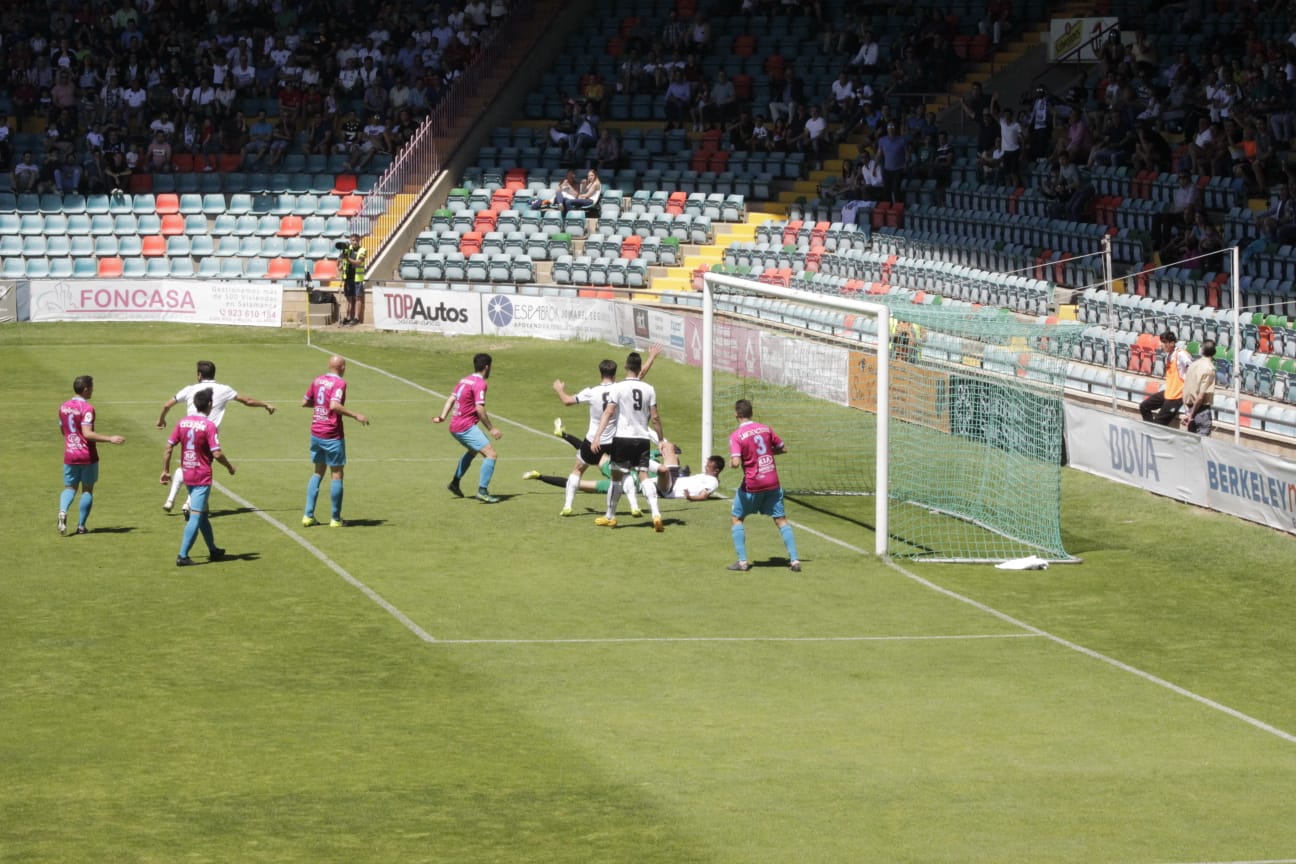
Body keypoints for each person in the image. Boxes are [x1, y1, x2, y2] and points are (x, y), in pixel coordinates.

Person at [156, 360, 276, 515]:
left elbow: (167, 405)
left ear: (199, 375)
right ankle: (188, 503)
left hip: (187, 431)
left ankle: (171, 499)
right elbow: (247, 401)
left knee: (187, 465)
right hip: (206, 434)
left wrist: (161, 419)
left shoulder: (190, 389)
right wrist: (265, 404)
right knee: (202, 469)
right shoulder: (224, 389)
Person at [161, 387, 235, 566]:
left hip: (187, 472)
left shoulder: (182, 422)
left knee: (202, 514)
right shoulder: (209, 426)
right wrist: (229, 467)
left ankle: (213, 549)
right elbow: (216, 454)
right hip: (202, 476)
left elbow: (169, 447)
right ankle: (183, 555)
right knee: (195, 516)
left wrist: (165, 470)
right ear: (209, 404)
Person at [591, 350, 664, 530]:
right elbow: (655, 417)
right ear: (640, 369)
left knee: (616, 478)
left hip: (622, 438)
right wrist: (660, 439)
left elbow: (608, 412)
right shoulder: (649, 389)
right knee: (644, 475)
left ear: (626, 367)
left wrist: (598, 435)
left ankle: (610, 516)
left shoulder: (618, 387)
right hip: (642, 438)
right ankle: (656, 514)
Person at [726, 398, 801, 572]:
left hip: (753, 484)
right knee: (781, 520)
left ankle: (743, 562)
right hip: (773, 482)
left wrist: (732, 462)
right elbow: (783, 448)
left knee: (737, 518)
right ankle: (795, 560)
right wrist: (767, 453)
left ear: (736, 414)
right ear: (751, 413)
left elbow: (736, 463)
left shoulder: (736, 436)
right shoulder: (766, 429)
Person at [302, 355, 370, 527]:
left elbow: (305, 402)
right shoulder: (340, 383)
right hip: (332, 434)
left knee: (317, 472)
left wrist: (320, 407)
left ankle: (308, 516)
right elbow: (334, 405)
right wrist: (356, 415)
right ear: (343, 367)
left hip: (316, 431)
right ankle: (335, 518)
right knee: (337, 474)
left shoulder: (317, 380)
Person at [57, 375, 126, 536]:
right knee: (87, 490)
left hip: (70, 455)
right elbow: (87, 433)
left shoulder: (63, 406)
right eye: (92, 387)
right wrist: (110, 438)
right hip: (87, 455)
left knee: (69, 488)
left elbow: (63, 431)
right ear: (86, 389)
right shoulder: (87, 409)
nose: (93, 390)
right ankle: (81, 526)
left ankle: (62, 511)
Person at [525, 446, 724, 501]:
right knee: (668, 449)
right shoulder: (622, 476)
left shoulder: (713, 482)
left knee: (577, 483)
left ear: (715, 470)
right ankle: (642, 458)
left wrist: (692, 497)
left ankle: (641, 459)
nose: (705, 465)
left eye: (708, 465)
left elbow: (704, 495)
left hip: (666, 486)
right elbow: (588, 453)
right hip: (666, 479)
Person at [433, 352, 502, 503]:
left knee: (473, 450)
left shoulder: (465, 379)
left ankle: (455, 483)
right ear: (487, 367)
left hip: (455, 425)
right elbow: (479, 408)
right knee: (491, 455)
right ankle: (482, 491)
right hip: (465, 427)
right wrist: (491, 428)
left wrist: (443, 416)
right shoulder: (480, 384)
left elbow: (452, 398)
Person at [1139, 330, 1193, 425]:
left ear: (1172, 343)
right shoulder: (1169, 355)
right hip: (1169, 392)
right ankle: (1151, 429)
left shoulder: (1181, 354)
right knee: (1144, 406)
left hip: (1177, 396)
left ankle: (1154, 433)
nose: (1161, 345)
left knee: (1159, 423)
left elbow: (1192, 369)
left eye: (1164, 342)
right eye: (1161, 342)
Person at [1181, 340, 1217, 436]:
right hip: (1200, 410)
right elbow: (1200, 396)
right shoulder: (1210, 368)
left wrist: (1188, 412)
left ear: (1201, 351)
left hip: (1190, 407)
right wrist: (1191, 415)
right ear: (1214, 353)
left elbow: (1186, 389)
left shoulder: (1193, 365)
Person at [339, 232, 368, 326]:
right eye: (353, 240)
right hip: (348, 277)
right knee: (349, 298)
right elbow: (340, 265)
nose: (355, 242)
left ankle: (356, 318)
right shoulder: (347, 250)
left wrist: (347, 259)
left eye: (356, 240)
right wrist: (340, 260)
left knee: (358, 297)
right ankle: (348, 317)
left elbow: (358, 263)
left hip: (357, 278)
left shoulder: (363, 250)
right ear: (350, 241)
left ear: (359, 241)